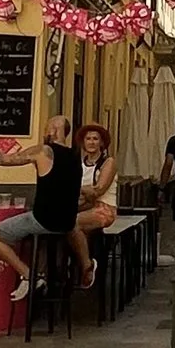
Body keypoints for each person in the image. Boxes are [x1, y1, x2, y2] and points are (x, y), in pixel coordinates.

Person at [0, 113, 81, 304]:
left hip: (43, 219)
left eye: (46, 128)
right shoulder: (75, 157)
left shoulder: (43, 151)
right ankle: (39, 274)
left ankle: (29, 276)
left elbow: (3, 160)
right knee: (31, 238)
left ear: (53, 130)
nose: (44, 133)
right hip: (66, 222)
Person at [70, 117, 121, 291]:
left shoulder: (109, 162)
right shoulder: (78, 163)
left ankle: (87, 266)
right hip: (81, 208)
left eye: (95, 139)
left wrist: (78, 189)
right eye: (88, 138)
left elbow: (98, 190)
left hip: (103, 210)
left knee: (71, 224)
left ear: (102, 143)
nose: (91, 142)